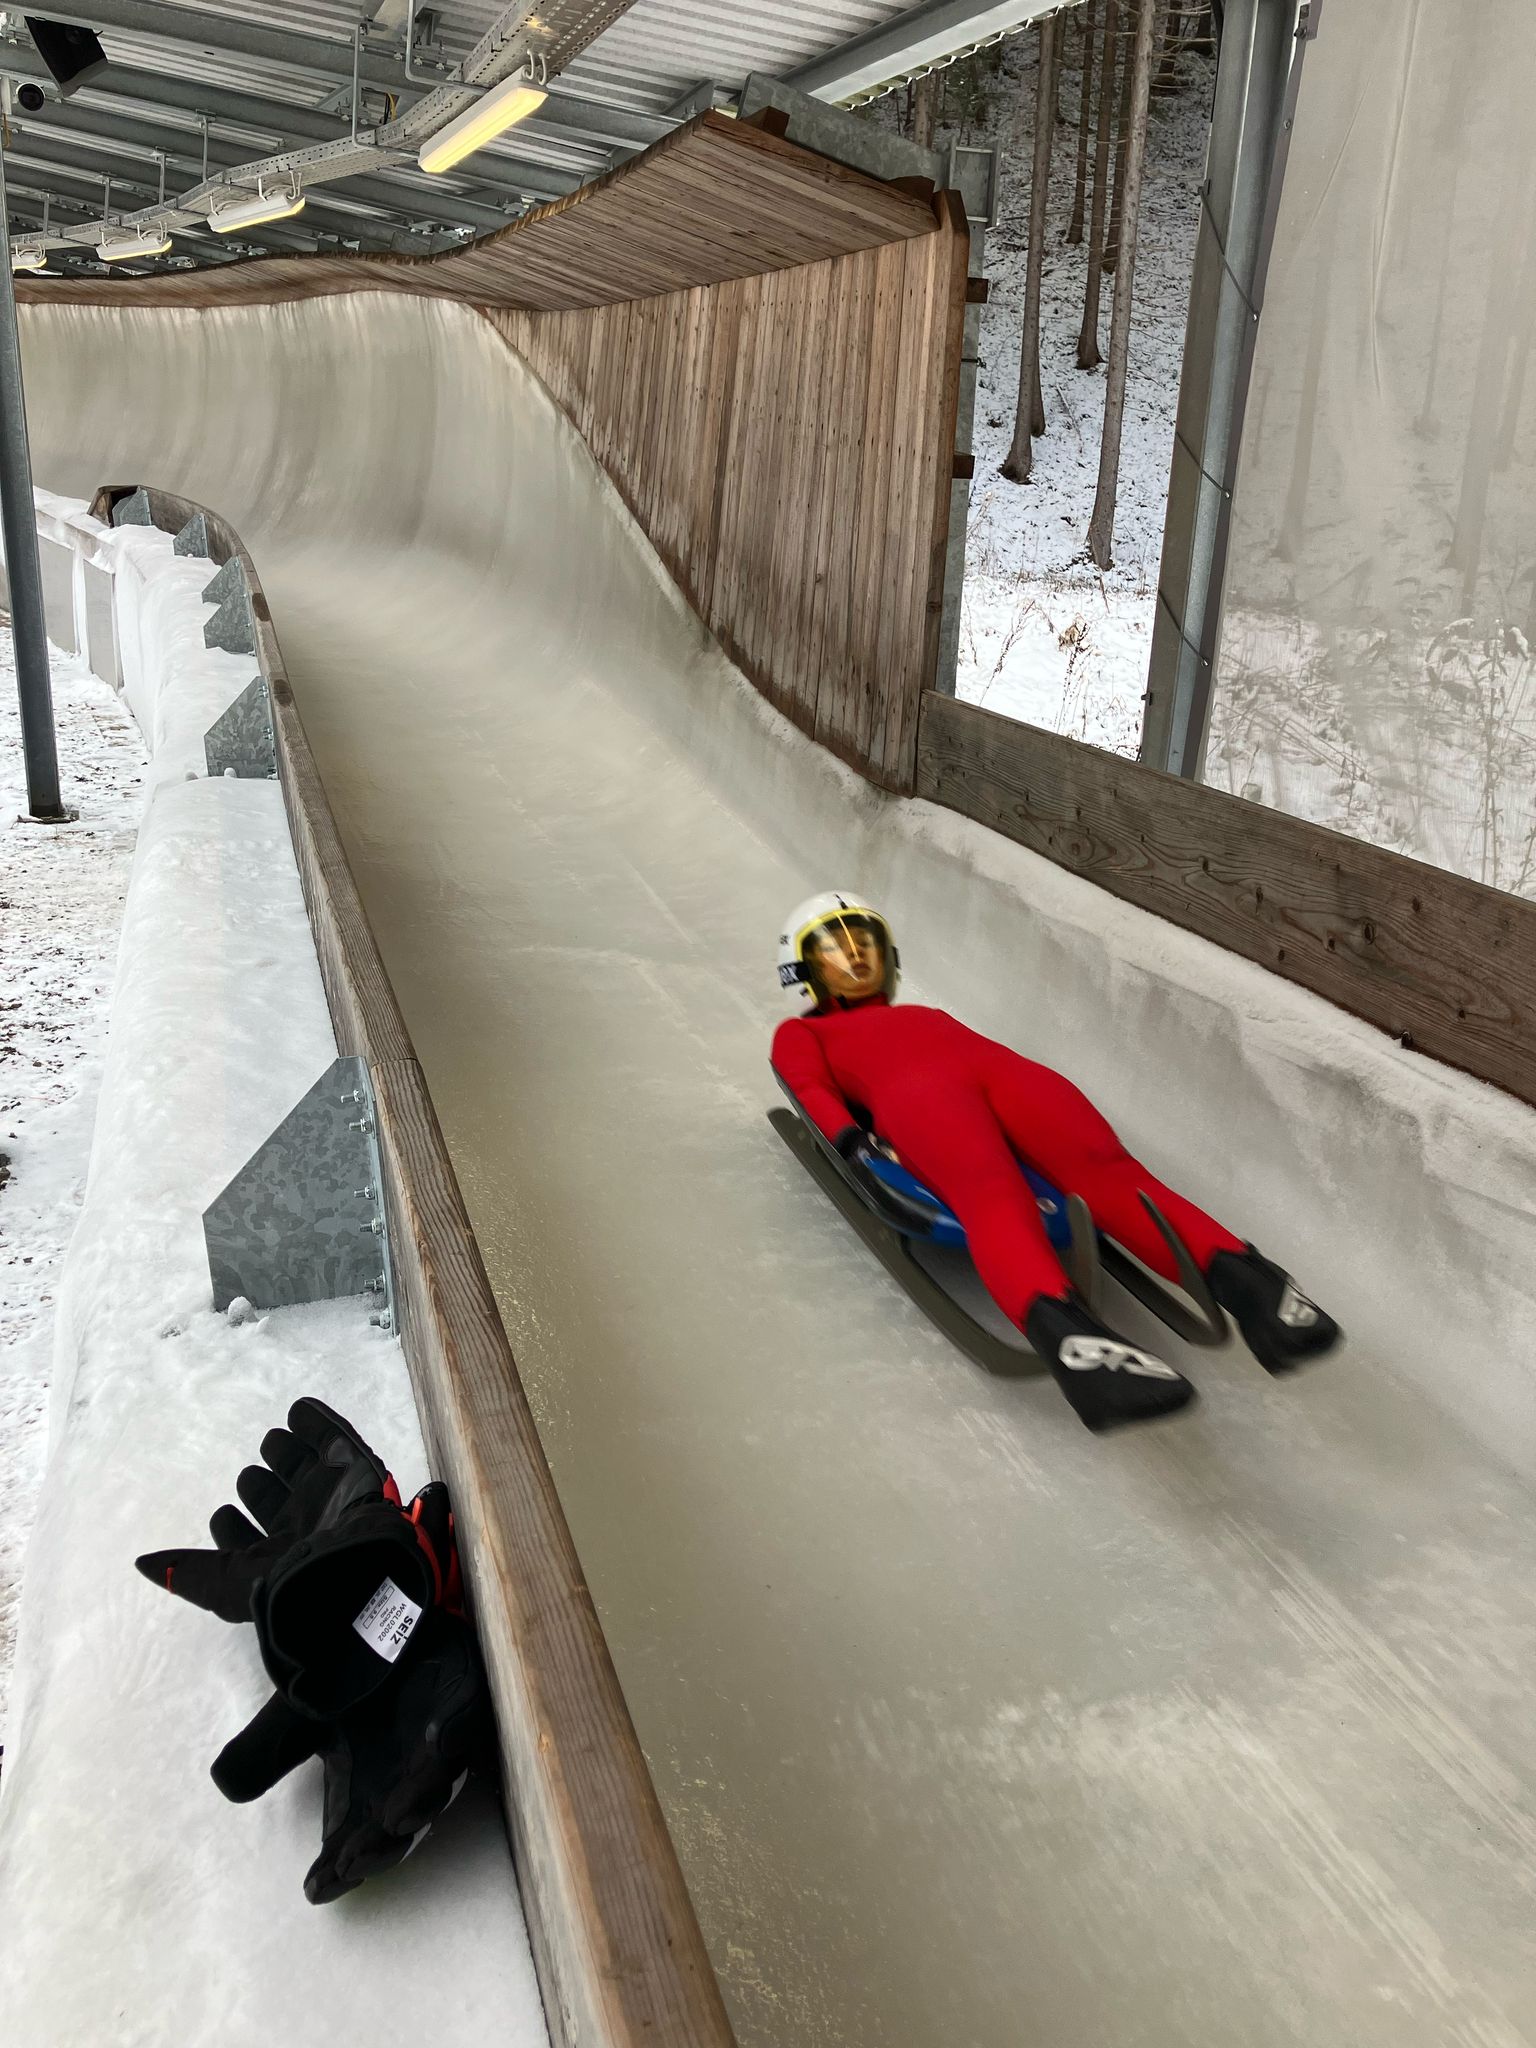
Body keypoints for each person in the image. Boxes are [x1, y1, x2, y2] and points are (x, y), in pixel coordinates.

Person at [771, 892, 1340, 1432]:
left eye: (865, 941)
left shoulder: (926, 1012)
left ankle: (1252, 1286)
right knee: (990, 1193)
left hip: (1008, 1075)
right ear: (801, 970)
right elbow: (808, 1088)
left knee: (1108, 1170)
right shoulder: (800, 1033)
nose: (854, 955)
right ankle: (1075, 1346)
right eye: (834, 946)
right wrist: (851, 1143)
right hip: (920, 1095)